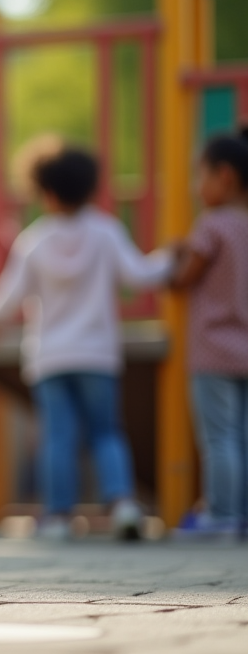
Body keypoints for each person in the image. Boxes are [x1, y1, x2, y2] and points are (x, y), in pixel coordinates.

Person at [0, 143, 173, 541]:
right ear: (89, 189)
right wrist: (170, 258)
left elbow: (7, 296)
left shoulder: (34, 241)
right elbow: (139, 274)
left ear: (46, 192)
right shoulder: (106, 232)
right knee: (106, 431)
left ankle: (58, 516)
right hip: (97, 353)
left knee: (57, 437)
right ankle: (121, 504)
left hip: (50, 356)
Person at [170, 130, 248, 541]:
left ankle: (221, 514)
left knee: (219, 437)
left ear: (225, 176)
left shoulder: (213, 225)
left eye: (200, 176)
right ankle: (243, 513)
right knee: (244, 437)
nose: (195, 186)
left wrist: (176, 261)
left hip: (214, 350)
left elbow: (186, 277)